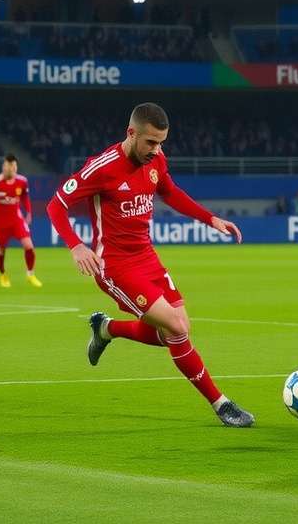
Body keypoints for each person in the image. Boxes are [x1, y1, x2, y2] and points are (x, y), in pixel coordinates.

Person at [46, 102, 254, 428]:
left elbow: (170, 192)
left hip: (147, 258)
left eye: (161, 143)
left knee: (174, 330)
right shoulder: (102, 167)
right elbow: (56, 204)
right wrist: (76, 246)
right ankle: (221, 404)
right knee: (177, 328)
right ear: (132, 133)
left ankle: (106, 329)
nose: (156, 150)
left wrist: (210, 218)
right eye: (151, 142)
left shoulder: (156, 160)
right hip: (115, 266)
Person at [0, 154, 42, 288]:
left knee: (29, 246)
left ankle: (30, 274)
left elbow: (25, 197)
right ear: (4, 167)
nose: (12, 170)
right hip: (0, 222)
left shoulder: (22, 181)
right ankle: (3, 275)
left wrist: (29, 212)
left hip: (16, 219)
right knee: (1, 250)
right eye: (9, 167)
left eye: (14, 167)